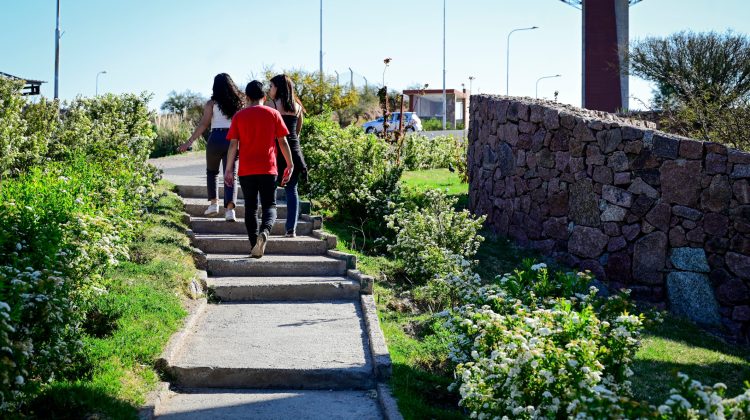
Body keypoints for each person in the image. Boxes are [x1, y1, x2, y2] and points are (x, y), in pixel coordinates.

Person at [224, 80, 294, 258]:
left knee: (250, 208)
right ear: (264, 96)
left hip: (246, 170)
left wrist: (228, 169)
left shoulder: (239, 116)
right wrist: (290, 164)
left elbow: (233, 145)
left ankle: (255, 243)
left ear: (247, 97)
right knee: (270, 205)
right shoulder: (273, 114)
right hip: (268, 169)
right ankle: (265, 232)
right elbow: (283, 142)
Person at [178, 73, 244, 222]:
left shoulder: (211, 104)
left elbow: (203, 124)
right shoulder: (239, 103)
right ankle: (230, 211)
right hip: (232, 140)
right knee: (231, 174)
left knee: (212, 172)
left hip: (215, 138)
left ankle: (214, 204)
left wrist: (189, 142)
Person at [266, 74, 308, 237]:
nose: (270, 90)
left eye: (271, 86)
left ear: (279, 87)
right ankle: (291, 229)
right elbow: (297, 131)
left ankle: (266, 224)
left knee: (270, 188)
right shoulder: (297, 106)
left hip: (276, 151)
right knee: (292, 190)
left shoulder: (272, 105)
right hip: (295, 151)